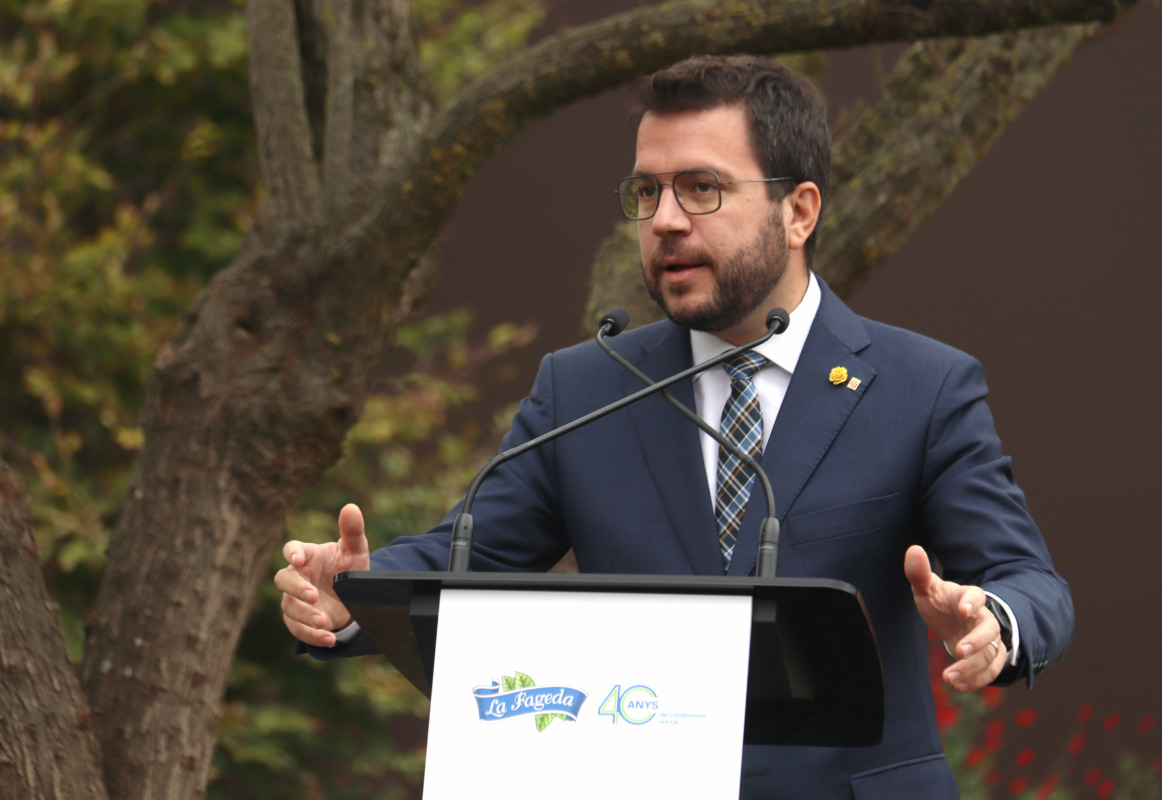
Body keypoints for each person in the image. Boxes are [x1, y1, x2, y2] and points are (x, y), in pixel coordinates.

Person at [276, 55, 1073, 798]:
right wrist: (352, 594)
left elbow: (1029, 581)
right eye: (646, 192)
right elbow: (463, 560)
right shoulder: (586, 387)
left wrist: (994, 622)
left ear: (799, 211)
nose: (663, 221)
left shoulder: (920, 387)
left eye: (701, 188)